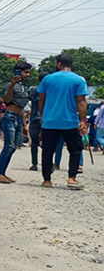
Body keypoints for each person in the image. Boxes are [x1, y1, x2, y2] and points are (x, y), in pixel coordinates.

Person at [38, 54, 88, 189]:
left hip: (50, 121)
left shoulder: (47, 79)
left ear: (58, 64)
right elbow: (81, 101)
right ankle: (71, 178)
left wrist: (42, 114)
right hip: (69, 121)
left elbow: (41, 99)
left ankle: (47, 180)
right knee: (75, 150)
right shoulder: (79, 80)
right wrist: (83, 120)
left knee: (48, 151)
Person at [0, 62, 32, 184]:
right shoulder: (10, 85)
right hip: (9, 116)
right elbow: (7, 100)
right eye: (25, 72)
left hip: (18, 117)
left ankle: (3, 172)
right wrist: (12, 85)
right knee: (8, 146)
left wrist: (24, 125)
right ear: (18, 72)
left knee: (14, 147)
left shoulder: (24, 87)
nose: (28, 74)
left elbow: (22, 108)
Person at [28, 72, 48, 170]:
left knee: (34, 143)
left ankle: (34, 164)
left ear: (38, 80)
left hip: (34, 118)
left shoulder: (33, 89)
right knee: (48, 143)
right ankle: (48, 163)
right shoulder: (50, 90)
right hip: (47, 119)